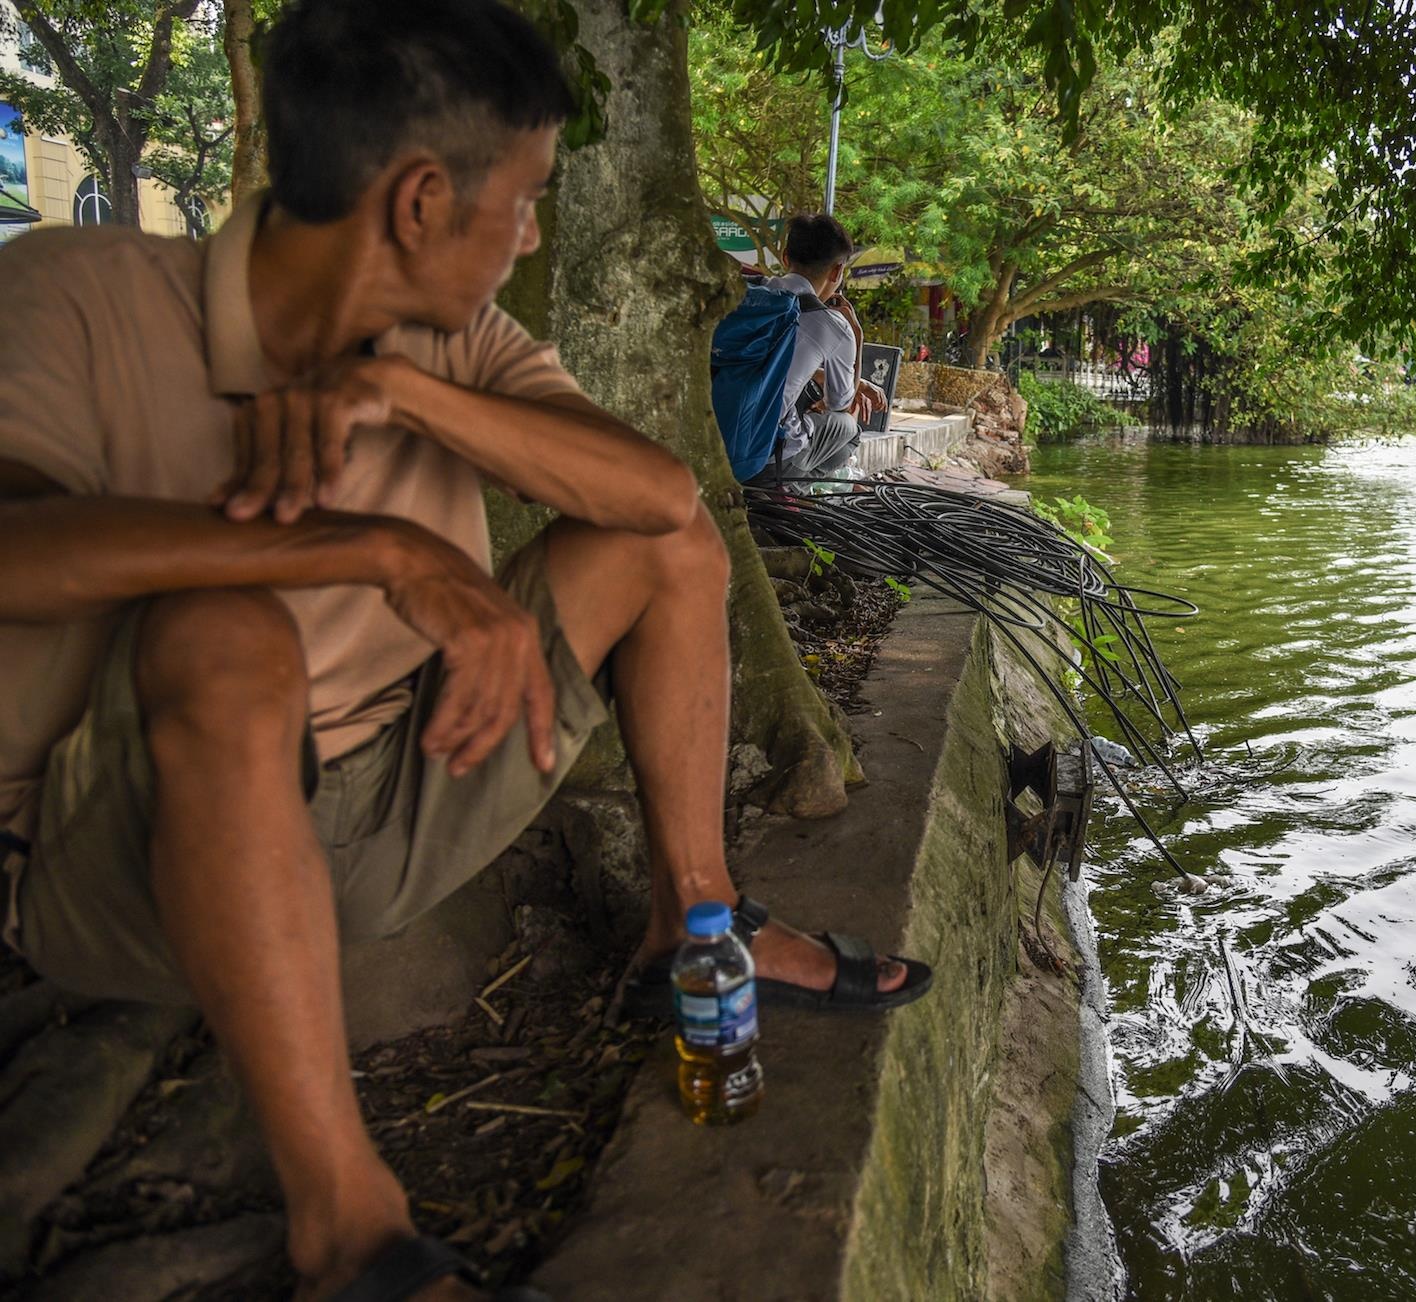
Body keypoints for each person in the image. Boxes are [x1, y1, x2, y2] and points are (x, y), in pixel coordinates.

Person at [0, 2, 928, 1298]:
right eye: (530, 196)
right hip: (143, 861)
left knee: (668, 544)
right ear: (424, 201)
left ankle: (696, 925)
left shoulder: (458, 341)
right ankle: (347, 1223)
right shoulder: (74, 291)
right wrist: (376, 553)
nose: (535, 230)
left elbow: (660, 497)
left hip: (416, 779)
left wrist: (399, 392)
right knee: (221, 633)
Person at [752, 213, 886, 482]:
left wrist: (818, 373)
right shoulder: (834, 324)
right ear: (837, 271)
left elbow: (766, 361)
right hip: (766, 456)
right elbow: (841, 403)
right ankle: (792, 490)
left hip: (717, 434)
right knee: (850, 428)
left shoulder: (751, 294)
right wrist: (857, 337)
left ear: (785, 257)